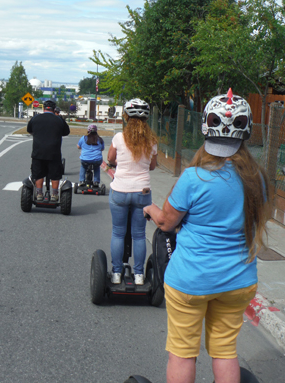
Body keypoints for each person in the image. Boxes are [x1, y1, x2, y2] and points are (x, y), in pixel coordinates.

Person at [143, 89, 272, 383]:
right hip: (239, 280)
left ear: (205, 128)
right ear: (246, 133)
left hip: (191, 280)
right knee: (225, 349)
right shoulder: (258, 179)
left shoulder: (193, 177)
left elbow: (166, 223)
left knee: (183, 351)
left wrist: (151, 209)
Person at [108, 98, 158, 286]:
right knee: (139, 234)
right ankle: (139, 275)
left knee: (118, 233)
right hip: (142, 193)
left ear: (126, 117)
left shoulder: (119, 138)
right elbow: (152, 166)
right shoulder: (152, 141)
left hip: (120, 191)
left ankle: (116, 273)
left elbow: (111, 158)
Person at [26, 99, 70, 202]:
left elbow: (29, 130)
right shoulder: (59, 120)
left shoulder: (35, 118)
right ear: (54, 109)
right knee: (55, 174)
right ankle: (54, 194)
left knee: (38, 173)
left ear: (43, 108)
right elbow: (66, 132)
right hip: (54, 153)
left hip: (38, 152)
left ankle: (39, 193)